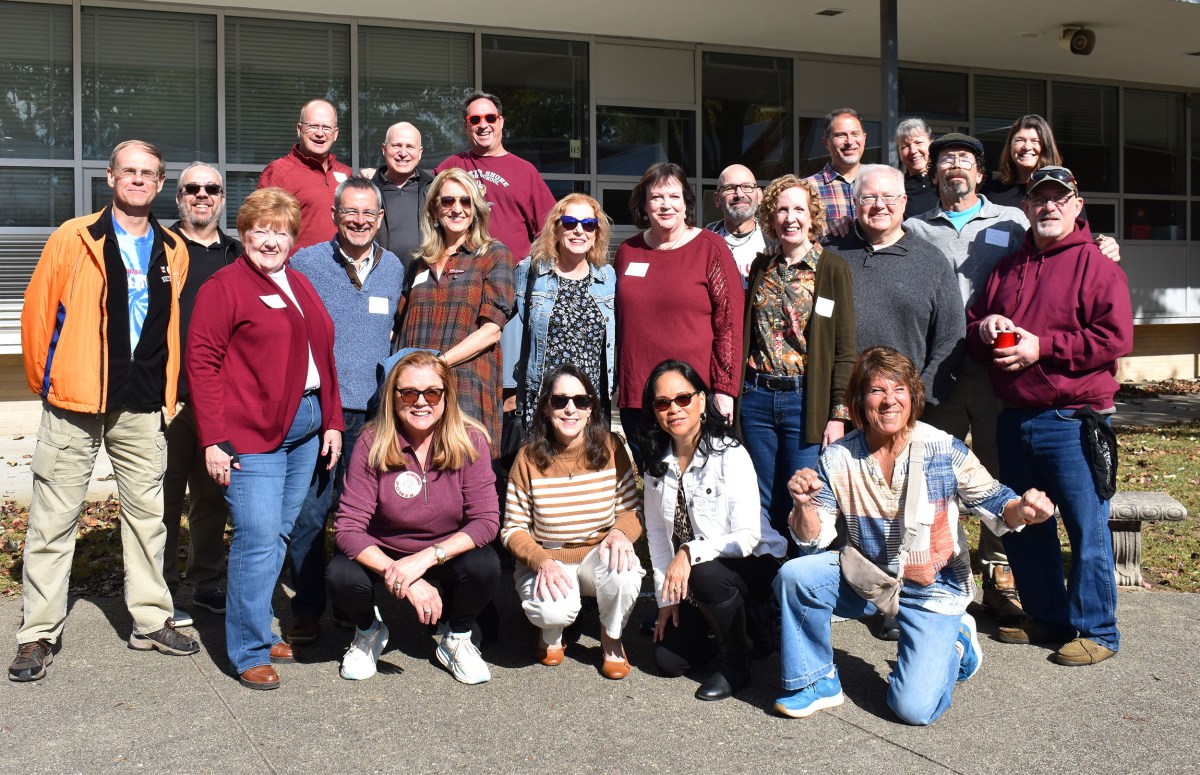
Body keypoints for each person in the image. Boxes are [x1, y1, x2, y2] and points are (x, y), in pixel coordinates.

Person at [773, 347, 1055, 723]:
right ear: (859, 401)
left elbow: (995, 501)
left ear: (913, 396)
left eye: (899, 389)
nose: (889, 400)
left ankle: (958, 645)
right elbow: (813, 540)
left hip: (933, 586)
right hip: (870, 580)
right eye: (876, 391)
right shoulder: (838, 457)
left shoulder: (943, 447)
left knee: (912, 709)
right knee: (796, 576)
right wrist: (804, 505)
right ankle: (816, 681)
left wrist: (1025, 509)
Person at [11, 139, 200, 683]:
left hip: (141, 405)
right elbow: (37, 314)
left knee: (149, 517)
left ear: (161, 183)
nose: (138, 180)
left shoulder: (172, 248)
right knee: (54, 518)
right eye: (129, 171)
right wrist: (48, 381)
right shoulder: (75, 237)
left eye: (149, 173)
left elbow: (168, 325)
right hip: (74, 400)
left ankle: (151, 620)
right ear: (111, 177)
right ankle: (38, 633)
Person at [967, 165, 1133, 667]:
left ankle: (1097, 630)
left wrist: (1044, 348)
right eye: (1039, 199)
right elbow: (975, 322)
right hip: (1014, 417)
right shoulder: (1008, 266)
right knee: (1028, 525)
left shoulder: (1097, 266)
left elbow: (1114, 338)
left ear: (1077, 206)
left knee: (1086, 527)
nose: (1049, 207)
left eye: (1059, 199)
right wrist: (985, 326)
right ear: (1026, 208)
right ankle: (1049, 617)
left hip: (1073, 418)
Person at [187, 187, 344, 690]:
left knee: (278, 532)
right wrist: (214, 438)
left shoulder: (299, 283)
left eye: (281, 231)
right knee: (256, 538)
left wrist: (334, 421)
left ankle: (255, 626)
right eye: (260, 230)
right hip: (251, 434)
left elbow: (325, 359)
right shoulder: (224, 286)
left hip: (306, 428)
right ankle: (248, 648)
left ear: (294, 239)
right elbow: (202, 365)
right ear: (244, 232)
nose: (270, 240)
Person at [903, 133, 1031, 623]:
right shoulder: (915, 228)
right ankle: (948, 569)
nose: (955, 167)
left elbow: (1052, 243)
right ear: (933, 175)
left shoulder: (1010, 221)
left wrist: (1104, 241)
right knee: (936, 474)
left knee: (997, 471)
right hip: (939, 369)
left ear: (981, 174)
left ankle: (1000, 572)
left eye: (965, 160)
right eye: (945, 161)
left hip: (996, 370)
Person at [327, 350, 500, 684]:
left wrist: (424, 560)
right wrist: (405, 576)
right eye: (409, 393)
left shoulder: (471, 439)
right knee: (341, 575)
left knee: (485, 564)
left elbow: (487, 520)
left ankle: (458, 637)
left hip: (443, 550)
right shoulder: (371, 441)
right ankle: (368, 631)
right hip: (384, 550)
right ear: (393, 397)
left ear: (446, 396)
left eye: (432, 392)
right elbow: (347, 528)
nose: (421, 402)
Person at [285, 177, 406, 647]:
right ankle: (308, 607)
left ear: (380, 219)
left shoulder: (394, 267)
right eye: (350, 213)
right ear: (335, 216)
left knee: (363, 516)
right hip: (319, 409)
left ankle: (354, 604)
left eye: (369, 214)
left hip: (375, 415)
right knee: (311, 515)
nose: (359, 221)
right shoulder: (305, 263)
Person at [640, 360, 787, 701]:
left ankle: (737, 666)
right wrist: (665, 602)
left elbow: (749, 537)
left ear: (702, 401)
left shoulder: (729, 455)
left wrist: (690, 551)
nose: (674, 409)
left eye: (683, 399)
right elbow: (658, 538)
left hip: (754, 563)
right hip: (700, 573)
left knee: (704, 573)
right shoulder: (655, 464)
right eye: (663, 403)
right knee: (668, 659)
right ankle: (739, 628)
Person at [501, 364, 643, 678]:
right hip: (550, 557)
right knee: (553, 610)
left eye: (581, 401)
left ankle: (612, 638)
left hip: (597, 554)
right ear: (546, 408)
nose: (570, 409)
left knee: (626, 571)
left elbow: (631, 510)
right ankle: (550, 634)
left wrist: (621, 533)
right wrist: (540, 561)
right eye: (560, 400)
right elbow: (512, 528)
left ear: (591, 408)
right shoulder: (527, 457)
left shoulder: (611, 447)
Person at [738, 174, 855, 548]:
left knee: (803, 495)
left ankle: (799, 583)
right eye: (782, 209)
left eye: (799, 209)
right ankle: (766, 590)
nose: (791, 218)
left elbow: (843, 348)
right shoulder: (761, 268)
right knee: (762, 498)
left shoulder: (831, 268)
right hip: (756, 398)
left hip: (806, 401)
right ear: (771, 218)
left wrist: (838, 414)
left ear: (812, 216)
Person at [435, 90, 557, 421]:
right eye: (475, 119)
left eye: (490, 118)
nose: (483, 125)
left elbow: (549, 231)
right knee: (463, 375)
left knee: (507, 387)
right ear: (466, 125)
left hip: (510, 289)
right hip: (462, 285)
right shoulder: (450, 168)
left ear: (501, 122)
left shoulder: (524, 171)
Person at [615, 162, 744, 445]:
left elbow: (730, 323)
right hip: (639, 398)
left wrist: (724, 389)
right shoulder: (627, 252)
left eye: (674, 196)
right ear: (644, 204)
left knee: (698, 485)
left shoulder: (711, 248)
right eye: (657, 197)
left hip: (692, 399)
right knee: (651, 485)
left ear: (686, 202)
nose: (665, 205)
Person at [163, 162, 242, 625]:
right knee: (164, 499)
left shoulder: (236, 253)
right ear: (178, 198)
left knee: (212, 497)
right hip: (169, 397)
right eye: (191, 189)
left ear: (221, 198)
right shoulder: (160, 249)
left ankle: (206, 581)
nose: (201, 195)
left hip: (219, 398)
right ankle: (162, 589)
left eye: (211, 189)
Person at [392, 168, 515, 449]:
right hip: (414, 394)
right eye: (448, 201)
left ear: (476, 210)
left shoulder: (494, 255)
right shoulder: (419, 263)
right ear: (435, 208)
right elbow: (398, 327)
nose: (457, 209)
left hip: (465, 386)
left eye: (465, 201)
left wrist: (438, 365)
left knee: (464, 476)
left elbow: (491, 331)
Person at [833, 164, 963, 408]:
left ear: (903, 201)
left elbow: (951, 335)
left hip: (902, 409)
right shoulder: (831, 254)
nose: (879, 205)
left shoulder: (931, 261)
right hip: (839, 408)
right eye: (869, 197)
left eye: (888, 196)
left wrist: (920, 396)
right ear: (855, 202)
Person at [513, 194, 616, 433]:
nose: (579, 230)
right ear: (556, 229)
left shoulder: (607, 277)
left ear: (596, 235)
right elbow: (495, 322)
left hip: (588, 404)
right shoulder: (530, 273)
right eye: (570, 223)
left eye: (589, 225)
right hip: (544, 401)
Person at [259, 99, 352, 252]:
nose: (320, 133)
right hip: (296, 271)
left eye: (327, 128)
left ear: (335, 134)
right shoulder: (278, 172)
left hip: (341, 271)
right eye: (313, 126)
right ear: (299, 129)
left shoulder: (345, 173)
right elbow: (261, 228)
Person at [368, 121, 433, 269]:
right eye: (396, 145)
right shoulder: (368, 190)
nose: (403, 153)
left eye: (410, 147)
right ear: (384, 149)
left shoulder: (434, 189)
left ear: (420, 152)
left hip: (425, 283)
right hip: (379, 282)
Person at [803, 108, 866, 239]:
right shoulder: (807, 188)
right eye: (840, 135)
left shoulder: (880, 182)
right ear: (826, 142)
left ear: (864, 138)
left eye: (855, 134)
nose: (849, 141)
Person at [981, 114, 1064, 210]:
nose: (1027, 147)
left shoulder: (1061, 189)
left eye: (1035, 141)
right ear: (1010, 146)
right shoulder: (991, 189)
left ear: (1046, 147)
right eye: (1020, 140)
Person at [705, 164, 766, 283]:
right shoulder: (703, 244)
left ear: (759, 196)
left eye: (747, 187)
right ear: (717, 199)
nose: (739, 194)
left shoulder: (776, 243)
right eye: (729, 188)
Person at [895, 117, 937, 218]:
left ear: (932, 144)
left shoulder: (945, 182)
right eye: (905, 146)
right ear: (899, 154)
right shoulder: (897, 188)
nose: (913, 150)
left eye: (918, 143)